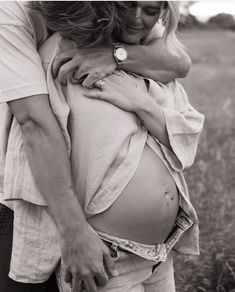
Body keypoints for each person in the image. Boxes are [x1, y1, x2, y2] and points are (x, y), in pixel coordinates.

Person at [0, 1, 192, 292]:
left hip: (159, 251)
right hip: (102, 250)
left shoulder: (123, 26)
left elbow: (179, 62)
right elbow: (34, 123)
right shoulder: (22, 26)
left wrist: (116, 55)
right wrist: (75, 233)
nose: (137, 16)